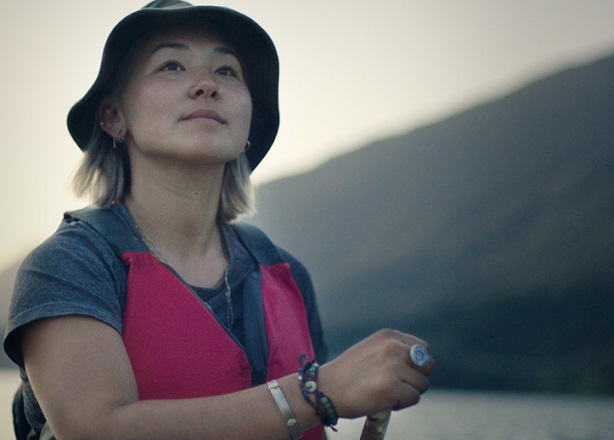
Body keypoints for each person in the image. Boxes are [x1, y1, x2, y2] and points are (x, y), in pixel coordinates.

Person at [2, 1, 434, 439]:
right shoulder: (68, 265)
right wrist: (316, 392)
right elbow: (99, 431)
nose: (207, 84)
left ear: (249, 122)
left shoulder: (287, 275)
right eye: (171, 65)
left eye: (227, 71)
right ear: (114, 115)